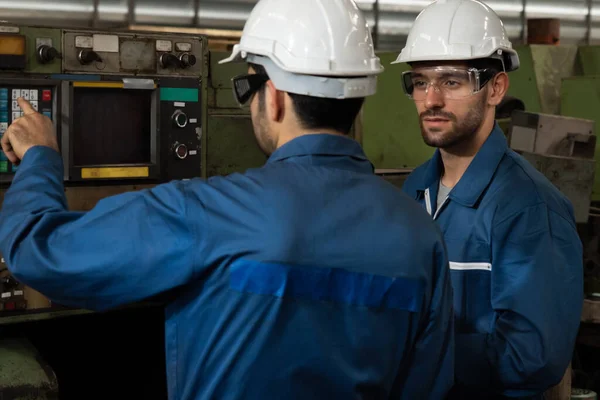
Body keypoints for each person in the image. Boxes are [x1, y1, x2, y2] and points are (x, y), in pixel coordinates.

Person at [0, 0, 455, 398]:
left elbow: (39, 251)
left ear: (273, 98)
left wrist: (39, 156)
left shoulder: (208, 211)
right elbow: (426, 384)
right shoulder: (422, 236)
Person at [395, 0, 584, 398]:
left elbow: (531, 356)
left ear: (495, 88)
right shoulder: (415, 190)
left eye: (451, 82)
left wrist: (411, 349)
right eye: (420, 81)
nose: (431, 100)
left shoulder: (528, 208)